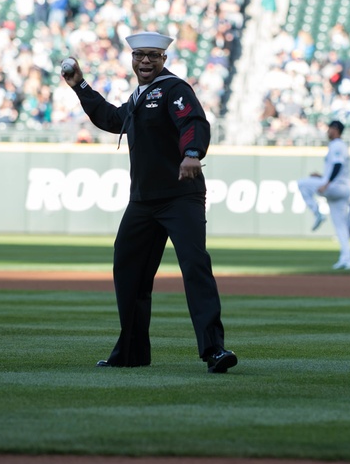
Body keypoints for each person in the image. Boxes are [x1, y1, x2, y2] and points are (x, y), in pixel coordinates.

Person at [60, 31, 237, 373]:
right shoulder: (140, 95)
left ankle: (214, 349)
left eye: (153, 56)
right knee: (129, 273)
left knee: (194, 267)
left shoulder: (173, 89)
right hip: (142, 201)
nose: (145, 61)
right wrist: (80, 86)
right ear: (131, 58)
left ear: (164, 60)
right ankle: (132, 352)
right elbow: (113, 120)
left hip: (179, 197)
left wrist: (191, 153)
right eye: (140, 55)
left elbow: (193, 122)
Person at [297, 120, 350, 270]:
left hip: (337, 187)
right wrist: (322, 177)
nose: (328, 131)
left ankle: (317, 213)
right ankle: (347, 259)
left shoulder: (337, 144)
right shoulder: (339, 145)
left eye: (330, 128)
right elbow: (336, 168)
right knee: (341, 227)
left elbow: (338, 165)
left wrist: (326, 182)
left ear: (335, 130)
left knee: (302, 184)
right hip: (340, 189)